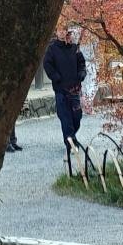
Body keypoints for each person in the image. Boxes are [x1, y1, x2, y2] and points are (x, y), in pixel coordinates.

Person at [43, 24, 86, 157]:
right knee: (65, 117)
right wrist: (56, 77)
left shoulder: (74, 48)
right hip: (61, 89)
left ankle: (71, 137)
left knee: (77, 116)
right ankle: (71, 143)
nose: (62, 33)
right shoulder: (52, 49)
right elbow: (47, 64)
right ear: (56, 32)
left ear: (67, 31)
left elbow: (81, 63)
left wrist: (81, 74)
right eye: (59, 30)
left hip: (74, 89)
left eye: (64, 30)